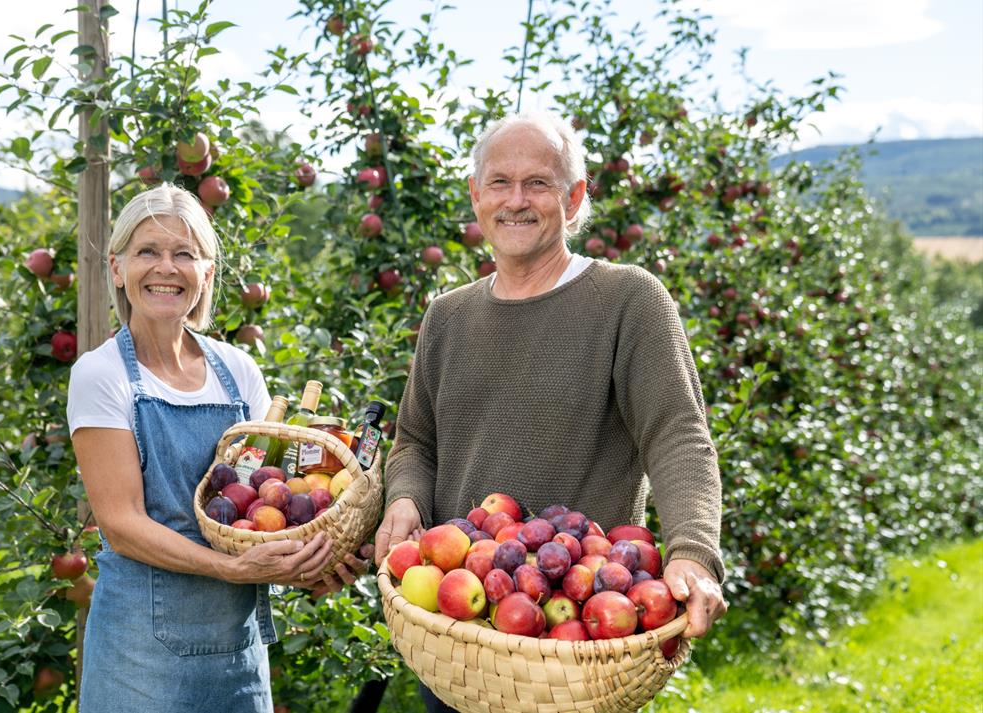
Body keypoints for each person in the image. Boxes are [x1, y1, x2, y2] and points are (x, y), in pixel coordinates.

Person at [373, 113, 727, 712]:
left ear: (576, 195)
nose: (516, 201)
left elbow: (678, 435)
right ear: (475, 196)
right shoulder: (447, 317)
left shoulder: (626, 299)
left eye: (538, 183)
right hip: (460, 632)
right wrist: (404, 499)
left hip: (577, 640)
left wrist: (693, 548)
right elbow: (416, 442)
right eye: (499, 183)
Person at [69, 184, 360, 712]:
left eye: (185, 254)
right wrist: (229, 568)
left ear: (206, 273)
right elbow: (121, 523)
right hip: (136, 659)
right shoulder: (101, 375)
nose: (166, 268)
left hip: (235, 653)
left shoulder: (237, 372)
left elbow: (274, 497)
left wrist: (318, 560)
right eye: (148, 252)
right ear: (117, 268)